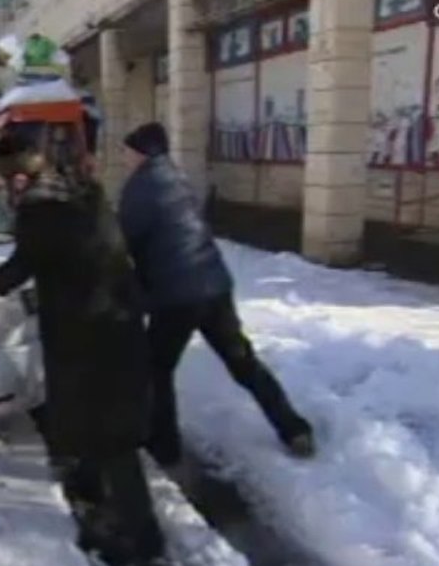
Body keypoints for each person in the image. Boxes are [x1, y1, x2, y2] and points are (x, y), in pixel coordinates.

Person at [0, 133, 164, 565]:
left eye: (5, 182)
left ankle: (144, 539)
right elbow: (75, 257)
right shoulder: (86, 196)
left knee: (112, 436)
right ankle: (89, 486)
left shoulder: (39, 216)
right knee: (95, 420)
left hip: (90, 336)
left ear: (18, 181)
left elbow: (15, 271)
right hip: (117, 325)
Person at [117, 122, 315, 466]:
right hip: (214, 286)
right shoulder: (178, 178)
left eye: (128, 151)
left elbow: (123, 242)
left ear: (141, 152)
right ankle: (294, 428)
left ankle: (164, 448)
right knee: (242, 361)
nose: (125, 158)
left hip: (175, 296)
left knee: (155, 369)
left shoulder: (139, 188)